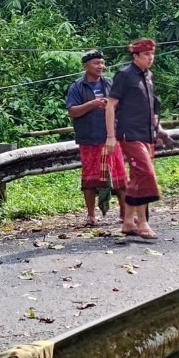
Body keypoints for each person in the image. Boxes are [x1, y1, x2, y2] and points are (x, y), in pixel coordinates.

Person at [104, 38, 172, 239]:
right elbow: (110, 106)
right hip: (129, 134)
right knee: (146, 174)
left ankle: (128, 222)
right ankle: (142, 223)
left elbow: (151, 108)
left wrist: (158, 130)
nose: (150, 58)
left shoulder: (148, 76)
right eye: (146, 55)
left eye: (152, 54)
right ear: (135, 56)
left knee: (137, 177)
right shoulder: (124, 75)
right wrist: (110, 136)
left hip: (147, 135)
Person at [66, 50, 127, 226]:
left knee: (119, 176)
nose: (101, 66)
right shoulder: (77, 87)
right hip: (88, 138)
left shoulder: (109, 83)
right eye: (96, 63)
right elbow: (72, 111)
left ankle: (124, 213)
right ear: (86, 66)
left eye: (102, 63)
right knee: (90, 179)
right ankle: (91, 216)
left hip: (111, 138)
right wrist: (92, 104)